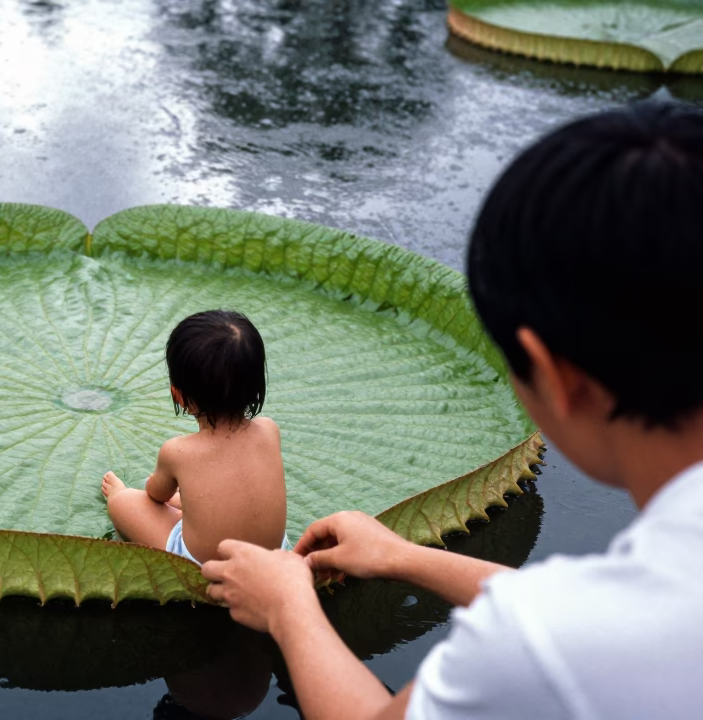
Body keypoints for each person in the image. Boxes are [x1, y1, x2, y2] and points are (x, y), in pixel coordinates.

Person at [201, 101, 703, 719]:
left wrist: (287, 608)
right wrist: (403, 557)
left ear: (555, 377)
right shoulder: (617, 617)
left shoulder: (544, 641)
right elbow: (622, 616)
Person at [101, 309, 290, 565]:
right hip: (274, 559)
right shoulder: (269, 430)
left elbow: (156, 494)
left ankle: (123, 495)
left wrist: (154, 490)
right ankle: (191, 506)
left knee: (124, 503)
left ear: (178, 394)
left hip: (206, 568)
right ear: (257, 386)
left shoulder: (177, 452)